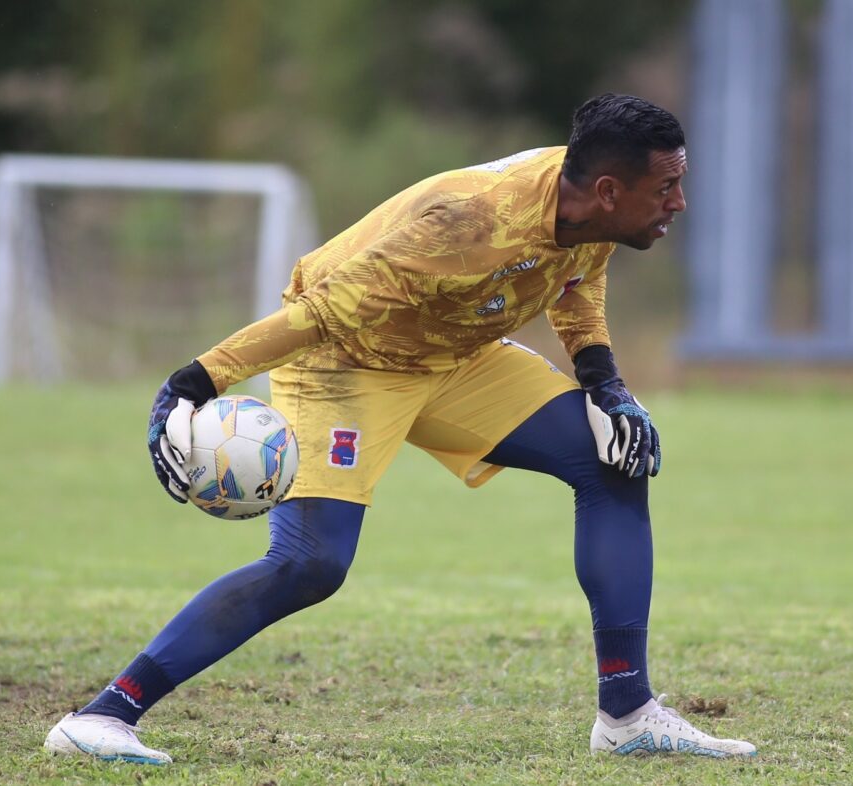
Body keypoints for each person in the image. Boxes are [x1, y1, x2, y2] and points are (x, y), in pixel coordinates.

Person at [43, 94, 756, 763]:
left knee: (615, 459)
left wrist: (606, 384)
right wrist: (194, 382)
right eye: (666, 188)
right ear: (608, 190)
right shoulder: (467, 225)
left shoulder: (590, 206)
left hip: (454, 355)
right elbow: (322, 314)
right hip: (346, 359)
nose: (678, 202)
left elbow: (576, 282)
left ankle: (627, 715)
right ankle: (102, 717)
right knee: (310, 564)